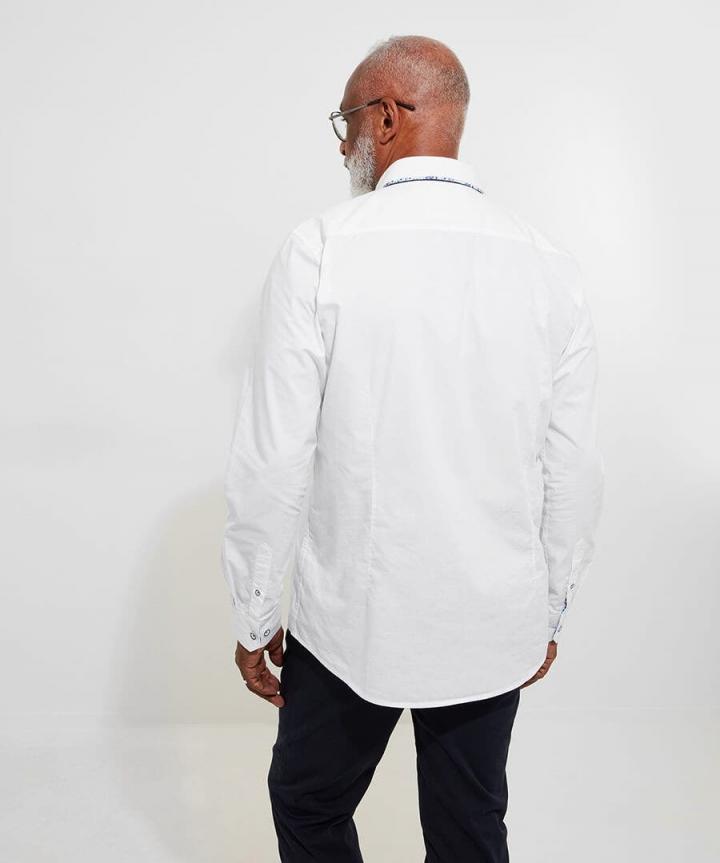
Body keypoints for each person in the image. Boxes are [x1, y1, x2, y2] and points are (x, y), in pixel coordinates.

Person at [221, 34, 605, 863]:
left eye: (347, 122)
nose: (342, 145)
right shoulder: (550, 266)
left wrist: (255, 611)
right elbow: (572, 466)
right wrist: (547, 611)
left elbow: (274, 460)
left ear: (388, 116)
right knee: (470, 830)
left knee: (309, 803)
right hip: (491, 618)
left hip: (351, 621)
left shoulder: (322, 248)